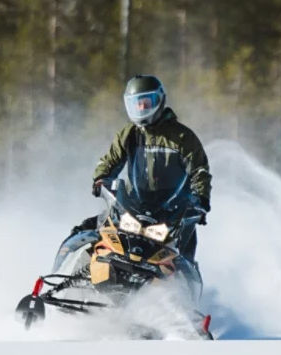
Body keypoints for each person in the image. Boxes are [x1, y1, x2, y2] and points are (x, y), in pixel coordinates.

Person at [72, 74, 211, 260]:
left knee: (183, 251)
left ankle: (183, 285)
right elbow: (110, 160)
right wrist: (101, 178)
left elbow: (199, 171)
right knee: (86, 231)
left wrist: (200, 201)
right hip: (132, 206)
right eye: (137, 103)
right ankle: (67, 274)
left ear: (159, 100)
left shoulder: (182, 137)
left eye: (146, 102)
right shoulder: (129, 133)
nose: (142, 108)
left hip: (171, 213)